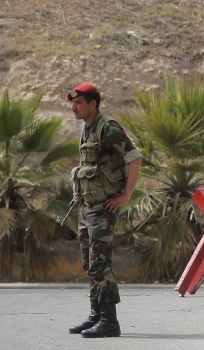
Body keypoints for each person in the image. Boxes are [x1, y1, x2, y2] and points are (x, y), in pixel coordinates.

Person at [67, 83, 142, 338]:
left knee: (100, 264)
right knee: (90, 264)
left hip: (103, 208)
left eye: (78, 103)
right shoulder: (87, 129)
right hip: (86, 207)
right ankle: (96, 315)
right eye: (73, 103)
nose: (73, 108)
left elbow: (134, 156)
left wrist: (126, 195)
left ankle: (110, 321)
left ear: (93, 104)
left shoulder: (107, 127)